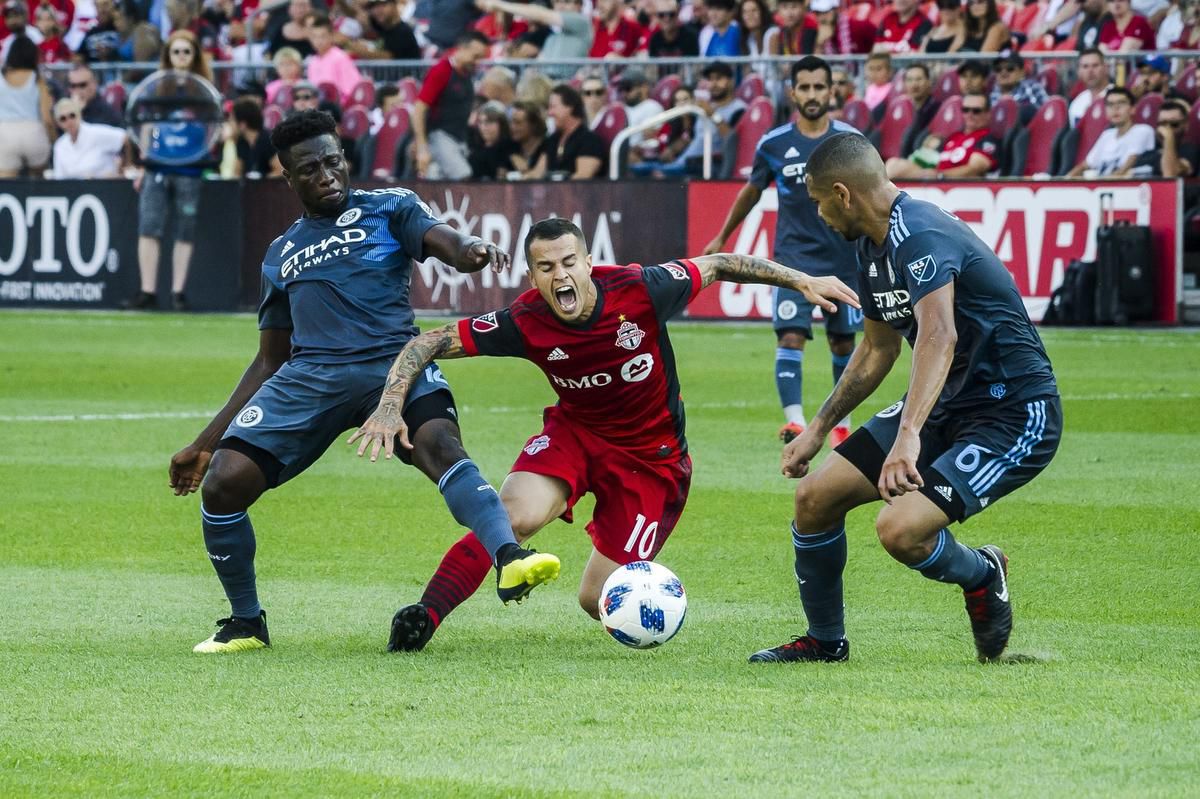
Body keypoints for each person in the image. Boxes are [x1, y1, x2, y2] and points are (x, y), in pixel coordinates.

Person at [348, 217, 859, 651]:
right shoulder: (525, 319)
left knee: (599, 601)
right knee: (512, 516)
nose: (560, 275)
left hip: (652, 461)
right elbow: (429, 342)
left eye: (569, 262)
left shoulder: (641, 288)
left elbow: (720, 263)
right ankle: (425, 616)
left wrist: (800, 281)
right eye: (546, 268)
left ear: (588, 263)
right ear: (533, 275)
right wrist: (391, 406)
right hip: (577, 435)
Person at [168, 110, 561, 654]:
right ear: (289, 177)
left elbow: (442, 239)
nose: (326, 174)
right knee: (223, 484)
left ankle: (510, 559)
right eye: (310, 169)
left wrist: (470, 251)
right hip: (311, 378)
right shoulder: (281, 255)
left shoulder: (389, 207)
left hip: (394, 364)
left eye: (333, 161)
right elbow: (267, 360)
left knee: (440, 445)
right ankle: (245, 622)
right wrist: (205, 444)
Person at [749, 131, 1061, 664]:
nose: (819, 216)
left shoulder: (919, 233)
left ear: (843, 194)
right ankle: (826, 642)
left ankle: (984, 573)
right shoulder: (872, 249)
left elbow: (940, 335)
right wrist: (818, 429)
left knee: (900, 531)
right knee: (814, 500)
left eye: (820, 202)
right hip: (946, 403)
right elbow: (876, 349)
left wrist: (909, 437)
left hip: (1012, 411)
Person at [704, 56, 863, 446]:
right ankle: (795, 422)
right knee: (790, 336)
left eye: (818, 87)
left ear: (831, 91)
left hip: (844, 260)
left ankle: (841, 425)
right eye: (804, 87)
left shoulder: (850, 141)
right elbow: (752, 191)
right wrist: (722, 237)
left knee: (843, 343)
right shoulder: (773, 144)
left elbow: (871, 195)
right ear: (793, 92)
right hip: (794, 261)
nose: (812, 94)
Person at [124, 29, 212, 312]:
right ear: (168, 55)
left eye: (187, 51)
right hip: (157, 166)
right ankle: (147, 291)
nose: (181, 57)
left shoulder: (205, 89)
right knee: (149, 228)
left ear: (194, 55)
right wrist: (143, 164)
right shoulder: (156, 87)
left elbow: (216, 127)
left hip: (190, 168)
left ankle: (178, 293)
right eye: (176, 51)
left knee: (184, 231)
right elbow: (147, 128)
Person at [412, 30, 488, 180]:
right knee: (462, 176)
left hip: (459, 137)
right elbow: (419, 109)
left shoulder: (466, 75)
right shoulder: (441, 71)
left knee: (440, 182)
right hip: (440, 136)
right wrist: (422, 146)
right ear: (462, 48)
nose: (477, 62)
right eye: (475, 56)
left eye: (481, 58)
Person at [885, 92, 999, 179]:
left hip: (951, 185)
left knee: (896, 170)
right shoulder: (955, 136)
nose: (970, 114)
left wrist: (940, 175)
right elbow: (932, 159)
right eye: (966, 110)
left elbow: (975, 169)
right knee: (893, 163)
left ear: (988, 113)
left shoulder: (987, 139)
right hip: (933, 179)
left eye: (976, 111)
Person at [1066, 87, 1154, 178]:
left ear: (1133, 109)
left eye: (1121, 103)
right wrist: (1066, 179)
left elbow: (1124, 169)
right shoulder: (1107, 135)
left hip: (1123, 187)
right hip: (1101, 186)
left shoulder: (1143, 131)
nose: (1115, 108)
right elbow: (1085, 165)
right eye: (1110, 104)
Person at [0, 36, 52, 178]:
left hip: (5, 134)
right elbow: (47, 118)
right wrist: (54, 139)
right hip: (33, 132)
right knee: (39, 185)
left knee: (5, 188)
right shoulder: (37, 79)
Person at [50, 96, 126, 178]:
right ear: (58, 123)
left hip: (103, 186)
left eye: (72, 115)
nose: (69, 121)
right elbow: (60, 178)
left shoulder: (96, 133)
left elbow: (125, 138)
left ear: (79, 115)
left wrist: (122, 168)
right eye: (63, 118)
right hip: (75, 189)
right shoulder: (59, 145)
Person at [1118, 100, 1198, 178]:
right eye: (1163, 124)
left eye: (1174, 124)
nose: (1167, 128)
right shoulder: (1149, 153)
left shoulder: (1190, 150)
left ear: (1186, 125)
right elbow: (1127, 176)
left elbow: (1170, 174)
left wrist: (1168, 138)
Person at [545, 83, 606, 179]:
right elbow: (537, 174)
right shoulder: (552, 139)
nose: (550, 112)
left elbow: (581, 179)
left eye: (553, 107)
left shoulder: (590, 141)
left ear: (570, 107)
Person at [305, 16, 363, 103]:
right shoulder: (312, 62)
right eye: (315, 37)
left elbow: (353, 89)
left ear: (331, 36)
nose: (319, 40)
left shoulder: (340, 58)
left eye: (322, 36)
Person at [503, 99, 548, 180]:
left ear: (533, 124)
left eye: (518, 123)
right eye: (511, 122)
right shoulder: (508, 146)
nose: (512, 127)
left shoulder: (548, 146)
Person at [811, 0, 876, 55]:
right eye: (817, 13)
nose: (821, 18)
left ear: (836, 9)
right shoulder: (816, 32)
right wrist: (820, 44)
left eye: (825, 12)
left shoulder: (859, 26)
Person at [1068, 47, 1111, 126]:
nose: (1090, 71)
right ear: (1079, 72)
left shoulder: (1119, 97)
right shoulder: (1077, 102)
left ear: (1105, 68)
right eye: (1085, 66)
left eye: (1095, 65)